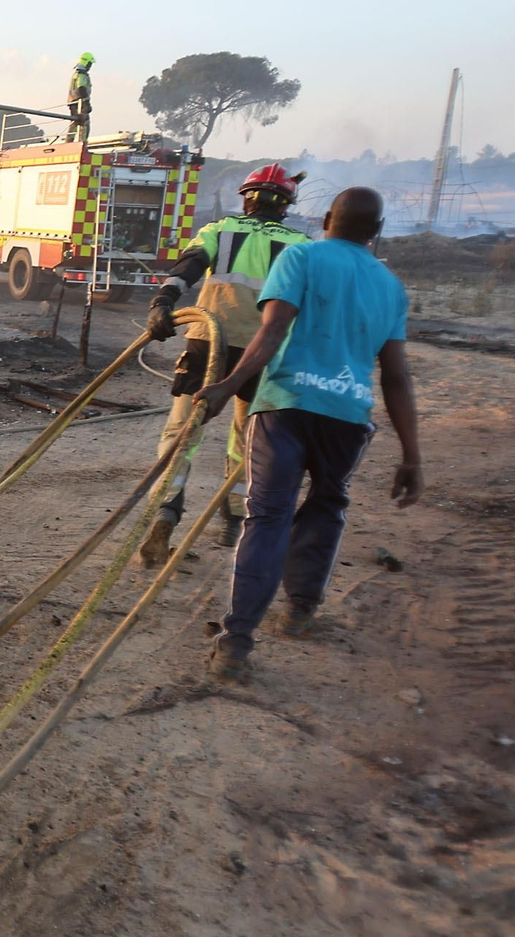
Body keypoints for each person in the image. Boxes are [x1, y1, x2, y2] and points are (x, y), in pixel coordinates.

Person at [188, 186, 422, 681]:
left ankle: (236, 644)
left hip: (285, 406)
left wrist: (228, 386)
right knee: (328, 503)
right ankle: (300, 609)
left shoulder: (301, 257)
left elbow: (271, 331)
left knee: (268, 515)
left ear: (325, 219)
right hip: (347, 415)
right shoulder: (391, 285)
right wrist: (412, 456)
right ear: (376, 232)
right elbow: (396, 376)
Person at [140, 164, 311, 566]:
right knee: (247, 437)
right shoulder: (301, 244)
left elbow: (189, 267)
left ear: (246, 197)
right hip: (264, 354)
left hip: (207, 342)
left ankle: (165, 511)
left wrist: (163, 303)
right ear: (286, 204)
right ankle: (233, 518)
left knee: (182, 431)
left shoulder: (220, 230)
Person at [67, 53, 94, 143]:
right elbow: (81, 89)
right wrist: (86, 104)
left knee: (75, 123)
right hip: (79, 102)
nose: (90, 66)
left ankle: (69, 143)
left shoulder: (77, 74)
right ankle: (82, 143)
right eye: (90, 64)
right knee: (84, 123)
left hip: (74, 102)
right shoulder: (81, 75)